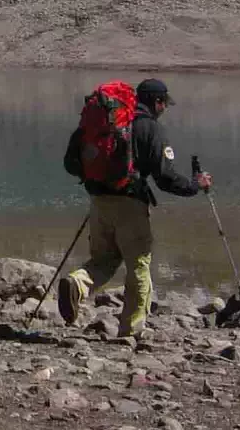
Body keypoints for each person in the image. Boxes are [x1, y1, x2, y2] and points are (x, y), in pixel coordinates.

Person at [59, 78, 212, 338]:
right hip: (130, 204)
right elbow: (165, 178)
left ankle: (77, 283)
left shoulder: (106, 122)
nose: (165, 109)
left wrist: (100, 178)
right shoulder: (148, 128)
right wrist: (195, 186)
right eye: (164, 104)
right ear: (157, 102)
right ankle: (131, 330)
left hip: (99, 202)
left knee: (104, 259)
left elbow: (70, 164)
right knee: (139, 266)